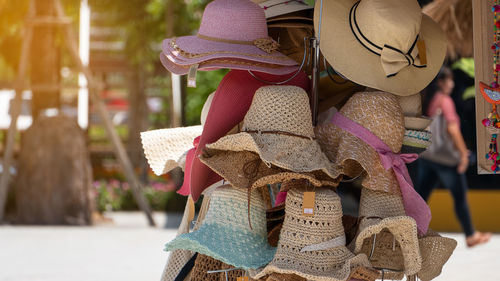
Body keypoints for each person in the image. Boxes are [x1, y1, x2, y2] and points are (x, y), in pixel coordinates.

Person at [415, 67, 491, 247]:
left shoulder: (430, 99)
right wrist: (463, 154)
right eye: (448, 80)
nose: (452, 84)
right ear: (441, 82)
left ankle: (411, 230)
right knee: (459, 197)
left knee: (421, 196)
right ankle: (471, 235)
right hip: (446, 160)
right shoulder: (445, 100)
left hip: (429, 156)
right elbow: (452, 129)